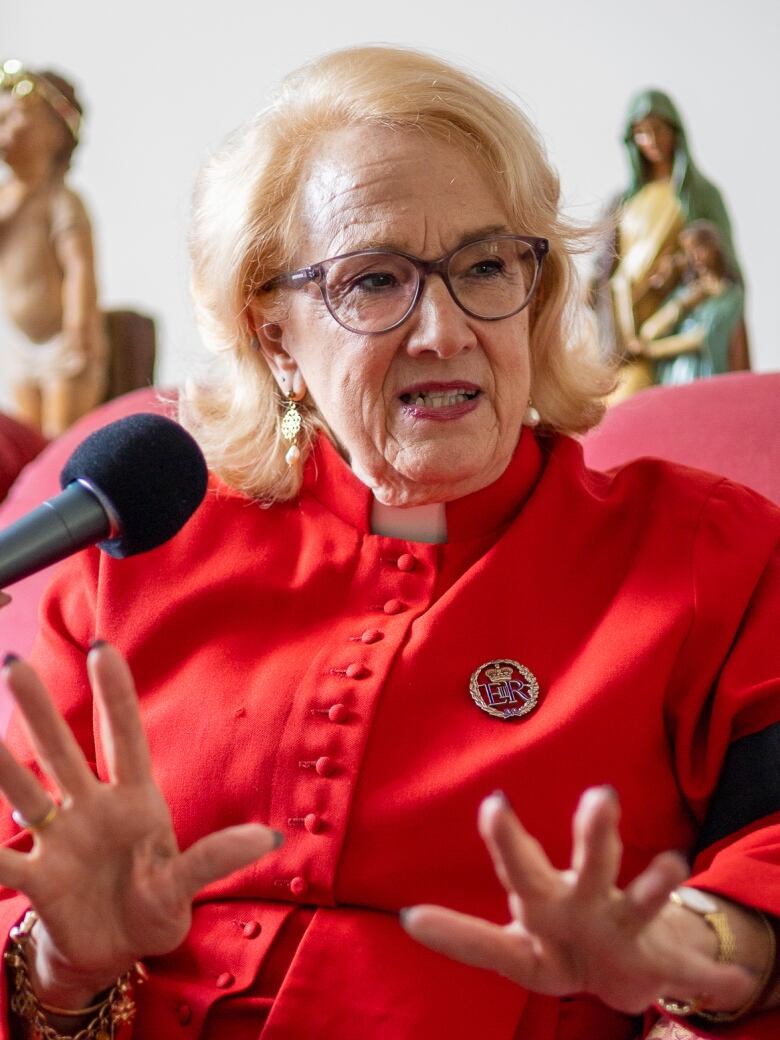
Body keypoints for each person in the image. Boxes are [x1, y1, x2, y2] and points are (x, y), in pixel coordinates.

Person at [0, 45, 777, 1040]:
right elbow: (26, 890)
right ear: (273, 335)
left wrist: (700, 942)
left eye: (487, 265)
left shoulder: (704, 548)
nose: (445, 330)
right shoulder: (130, 543)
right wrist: (62, 968)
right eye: (375, 282)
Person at [590, 89, 749, 402]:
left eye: (659, 129)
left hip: (675, 330)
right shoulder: (624, 202)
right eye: (641, 133)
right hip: (623, 331)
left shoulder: (700, 195)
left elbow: (724, 268)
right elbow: (608, 266)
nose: (651, 140)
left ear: (676, 132)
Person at [0, 60, 107, 438]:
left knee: (60, 437)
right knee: (29, 440)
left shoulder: (61, 200)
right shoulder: (7, 200)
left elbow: (79, 265)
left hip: (64, 343)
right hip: (22, 346)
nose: (3, 131)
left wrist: (81, 324)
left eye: (13, 119)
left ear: (55, 134)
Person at [631, 221, 745, 385]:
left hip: (706, 380)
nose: (695, 257)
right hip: (675, 378)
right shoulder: (687, 292)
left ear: (714, 247)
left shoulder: (731, 297)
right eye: (688, 251)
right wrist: (683, 304)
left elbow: (702, 338)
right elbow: (649, 332)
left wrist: (651, 350)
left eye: (699, 248)